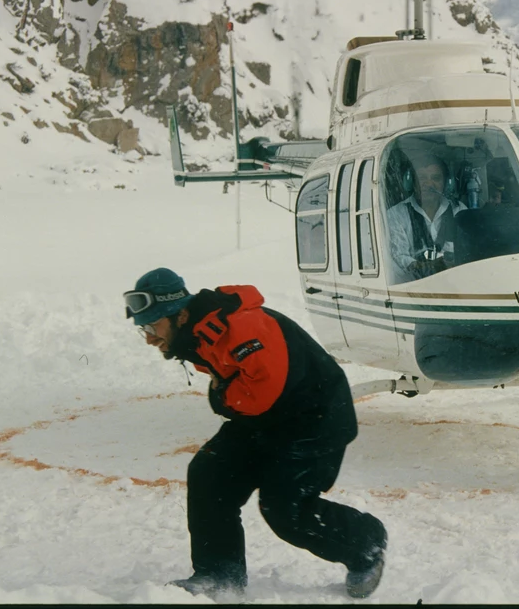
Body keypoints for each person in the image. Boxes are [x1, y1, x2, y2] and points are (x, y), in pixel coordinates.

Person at [124, 268, 388, 600]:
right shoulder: (198, 333)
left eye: (152, 325)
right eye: (142, 329)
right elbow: (242, 391)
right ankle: (220, 575)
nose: (148, 336)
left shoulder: (240, 328)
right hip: (270, 417)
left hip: (316, 419)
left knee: (283, 509)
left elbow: (261, 393)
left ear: (181, 315)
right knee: (210, 473)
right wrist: (226, 394)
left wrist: (221, 396)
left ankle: (365, 541)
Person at [386, 152, 466, 282]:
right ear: (410, 182)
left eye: (436, 178)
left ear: (447, 183)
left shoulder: (459, 210)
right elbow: (399, 256)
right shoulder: (396, 214)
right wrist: (425, 267)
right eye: (421, 178)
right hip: (415, 285)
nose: (429, 184)